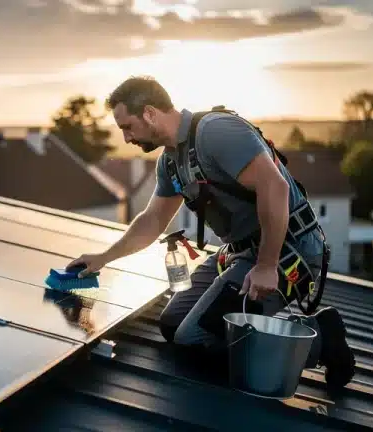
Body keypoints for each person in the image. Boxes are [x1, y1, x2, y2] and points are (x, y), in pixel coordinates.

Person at [66, 76, 355, 390]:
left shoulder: (216, 132)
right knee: (172, 324)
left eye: (128, 127)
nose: (125, 138)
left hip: (287, 251)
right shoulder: (171, 163)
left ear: (150, 113)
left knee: (193, 341)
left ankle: (321, 336)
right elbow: (152, 220)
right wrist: (104, 258)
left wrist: (267, 265)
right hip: (240, 253)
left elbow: (275, 187)